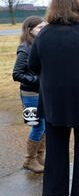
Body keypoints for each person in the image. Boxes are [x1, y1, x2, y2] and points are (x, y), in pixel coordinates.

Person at [28, 0, 79, 196]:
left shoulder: (44, 34)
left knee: (55, 148)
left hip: (54, 100)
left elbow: (33, 65)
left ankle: (54, 192)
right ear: (77, 7)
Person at [12, 16, 46, 173]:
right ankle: (29, 160)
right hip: (30, 94)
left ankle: (40, 156)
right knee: (38, 127)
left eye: (44, 26)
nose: (42, 30)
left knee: (44, 126)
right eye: (39, 27)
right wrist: (38, 79)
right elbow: (17, 74)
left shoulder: (39, 44)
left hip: (42, 93)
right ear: (29, 30)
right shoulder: (25, 48)